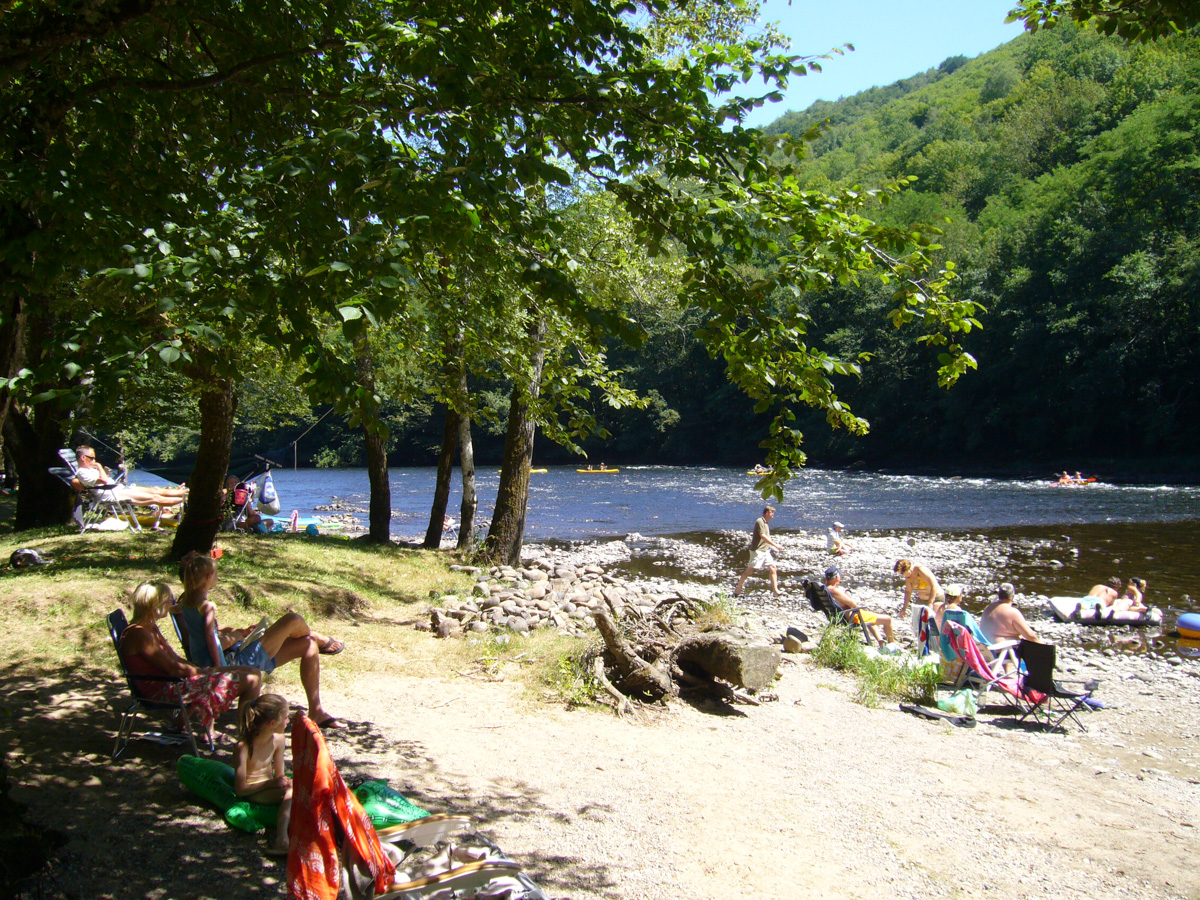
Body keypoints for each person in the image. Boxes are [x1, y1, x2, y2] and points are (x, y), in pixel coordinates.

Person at [175, 551, 346, 729]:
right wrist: (238, 636)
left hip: (237, 652)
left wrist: (240, 632)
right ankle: (319, 638)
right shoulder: (201, 606)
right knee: (293, 619)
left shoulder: (188, 603)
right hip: (234, 660)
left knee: (308, 643)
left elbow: (209, 633)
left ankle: (316, 710)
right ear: (206, 576)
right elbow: (212, 643)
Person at [118, 582, 261, 744]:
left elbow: (175, 658)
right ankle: (248, 739)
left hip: (172, 683)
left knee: (252, 671)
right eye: (167, 601)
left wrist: (201, 670)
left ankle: (182, 725)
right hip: (163, 689)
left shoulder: (150, 628)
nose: (171, 604)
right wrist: (205, 673)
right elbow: (173, 669)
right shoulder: (140, 634)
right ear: (155, 605)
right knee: (251, 680)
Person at [234, 694, 293, 857]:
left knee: (301, 788)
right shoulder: (244, 747)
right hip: (254, 792)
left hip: (271, 788)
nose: (288, 722)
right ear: (273, 723)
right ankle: (281, 839)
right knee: (292, 793)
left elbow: (280, 775)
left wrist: (283, 781)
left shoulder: (279, 740)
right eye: (286, 718)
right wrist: (272, 784)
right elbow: (240, 789)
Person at [72, 446, 189, 519]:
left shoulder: (89, 470)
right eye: (92, 458)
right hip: (113, 494)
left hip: (117, 489)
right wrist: (98, 466)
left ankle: (187, 492)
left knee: (155, 490)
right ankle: (188, 498)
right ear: (83, 458)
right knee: (155, 497)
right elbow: (103, 480)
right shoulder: (82, 472)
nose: (94, 460)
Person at [824, 566, 894, 646]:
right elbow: (854, 604)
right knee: (887, 619)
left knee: (869, 616)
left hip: (840, 616)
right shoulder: (834, 590)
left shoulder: (825, 589)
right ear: (836, 577)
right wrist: (848, 594)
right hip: (851, 617)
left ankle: (880, 641)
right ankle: (892, 644)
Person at [733, 506, 782, 597]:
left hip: (765, 551)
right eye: (772, 513)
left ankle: (776, 591)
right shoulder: (760, 521)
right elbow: (762, 535)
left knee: (773, 568)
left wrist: (771, 546)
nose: (773, 516)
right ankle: (737, 590)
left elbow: (765, 537)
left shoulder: (766, 523)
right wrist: (775, 545)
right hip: (757, 551)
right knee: (750, 570)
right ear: (767, 513)